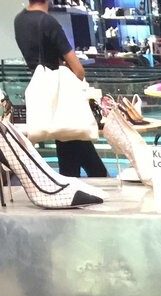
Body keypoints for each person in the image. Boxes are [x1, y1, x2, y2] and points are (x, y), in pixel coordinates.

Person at [13, 0, 108, 177]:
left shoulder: (20, 20)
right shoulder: (48, 22)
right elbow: (78, 71)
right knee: (73, 164)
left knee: (90, 165)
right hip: (63, 98)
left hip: (44, 92)